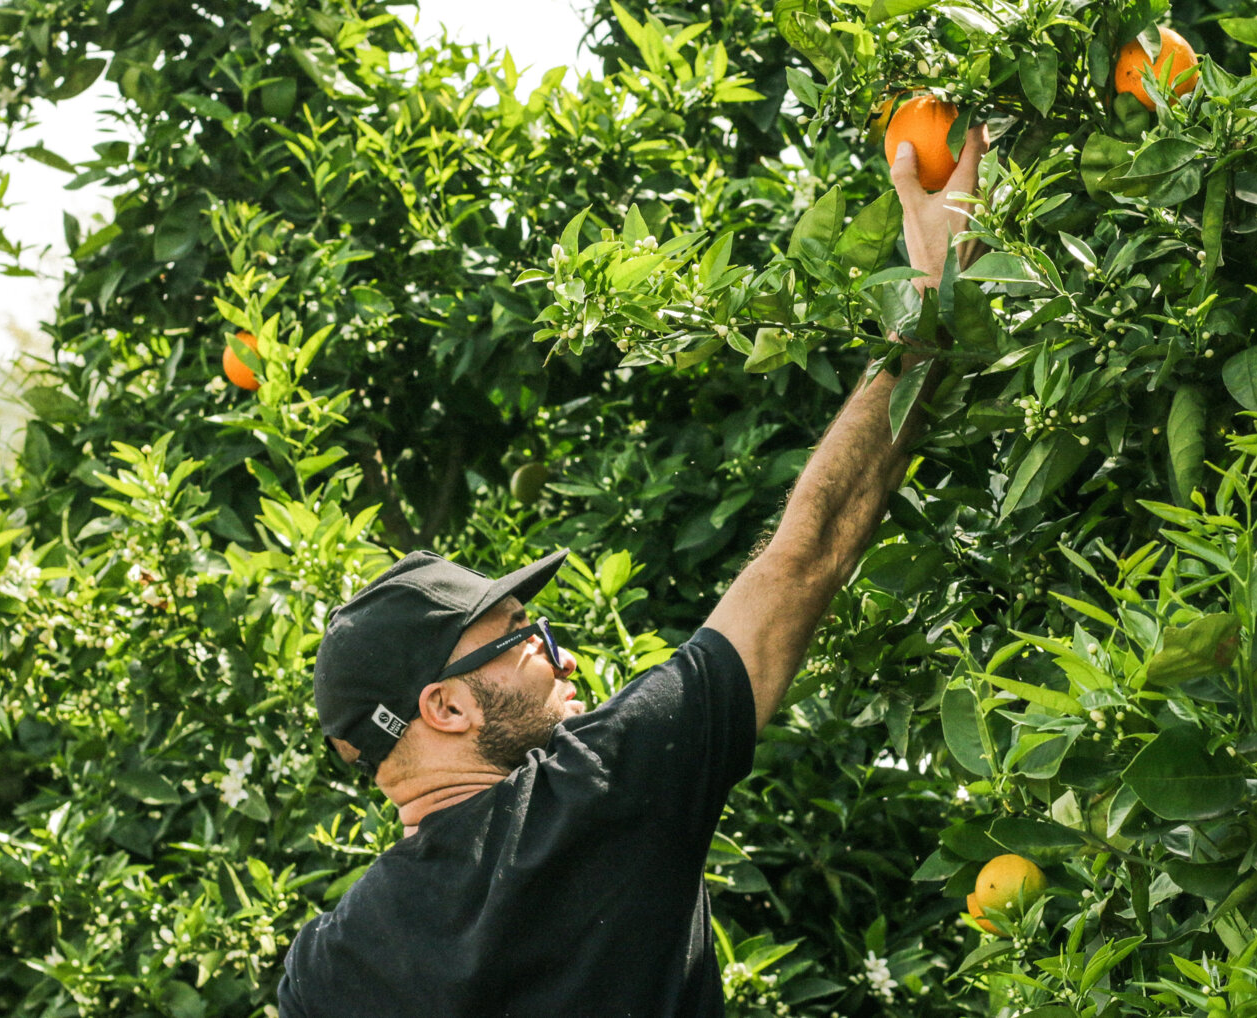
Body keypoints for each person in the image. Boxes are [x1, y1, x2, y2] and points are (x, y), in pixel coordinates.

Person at [276, 130, 990, 1017]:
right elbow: (807, 557)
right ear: (448, 706)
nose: (562, 655)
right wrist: (931, 299)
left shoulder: (326, 969)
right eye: (524, 638)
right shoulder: (599, 793)